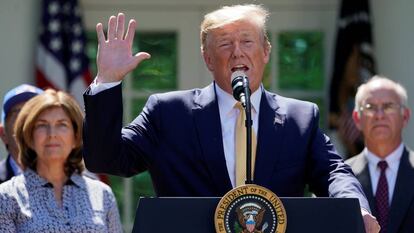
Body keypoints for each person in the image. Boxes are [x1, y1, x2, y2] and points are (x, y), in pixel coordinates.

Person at [82, 4, 379, 232]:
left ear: (265, 51)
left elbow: (332, 173)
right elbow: (105, 159)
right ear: (208, 58)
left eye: (247, 42)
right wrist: (107, 81)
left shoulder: (299, 118)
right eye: (224, 44)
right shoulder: (168, 112)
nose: (237, 52)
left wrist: (356, 209)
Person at [0, 89, 122, 232]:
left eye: (62, 125)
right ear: (29, 136)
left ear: (76, 136)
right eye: (42, 125)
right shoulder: (7, 196)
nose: (52, 134)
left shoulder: (102, 194)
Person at [346, 76, 414, 233]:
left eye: (389, 106)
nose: (379, 115)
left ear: (405, 116)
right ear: (357, 118)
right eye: (370, 107)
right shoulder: (338, 179)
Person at [0, 84, 43, 184]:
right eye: (18, 113)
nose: (27, 121)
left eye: (35, 112)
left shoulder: (79, 183)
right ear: (3, 134)